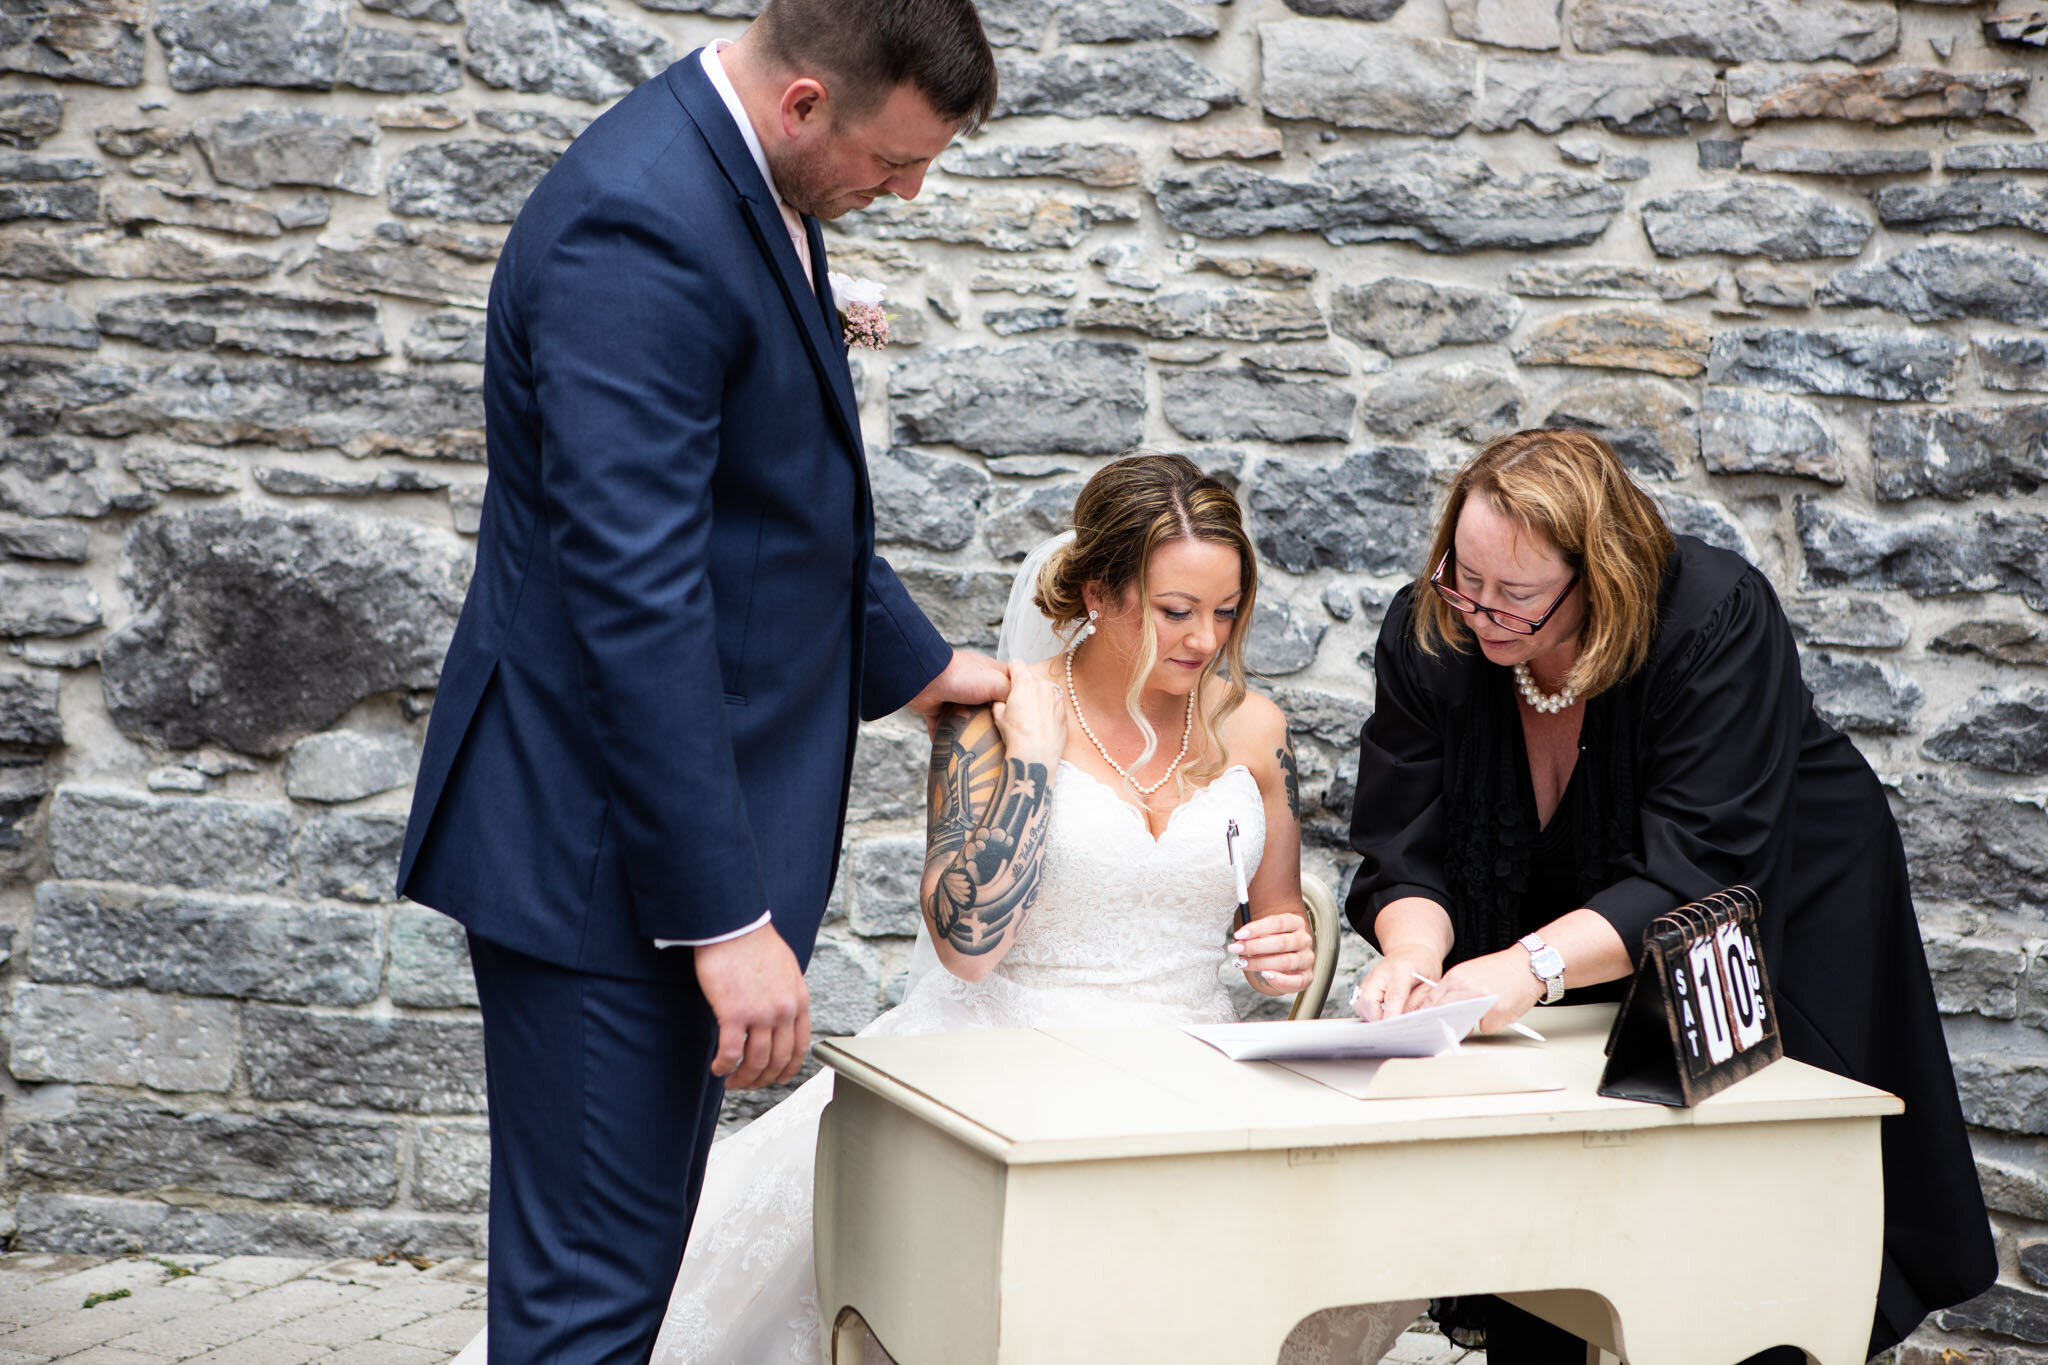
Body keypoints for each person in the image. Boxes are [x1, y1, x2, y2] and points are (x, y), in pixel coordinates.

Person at [449, 453, 1423, 1362]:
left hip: (1186, 1070)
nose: (1205, 640)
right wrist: (1035, 762)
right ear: (1099, 594)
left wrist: (1276, 958)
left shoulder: (1252, 729)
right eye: (1174, 611)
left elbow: (1271, 929)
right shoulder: (991, 713)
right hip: (999, 1063)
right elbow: (965, 945)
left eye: (1224, 610)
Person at [396, 3, 1009, 1358]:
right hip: (599, 864)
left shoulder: (747, 182)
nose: (908, 192)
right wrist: (723, 921)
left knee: (621, 1283)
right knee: (586, 1309)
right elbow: (638, 596)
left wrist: (922, 666)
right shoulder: (644, 229)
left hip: (629, 854)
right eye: (896, 162)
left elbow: (771, 506)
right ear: (804, 104)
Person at [1347, 428, 1996, 1359]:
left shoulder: (1713, 614)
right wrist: (1413, 954)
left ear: (1594, 576)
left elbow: (1703, 863)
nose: (1481, 611)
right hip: (1576, 916)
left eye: (1517, 595)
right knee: (1546, 1187)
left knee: (1742, 1210)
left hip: (1774, 900)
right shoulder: (1436, 626)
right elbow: (1402, 839)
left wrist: (1529, 963)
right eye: (1465, 576)